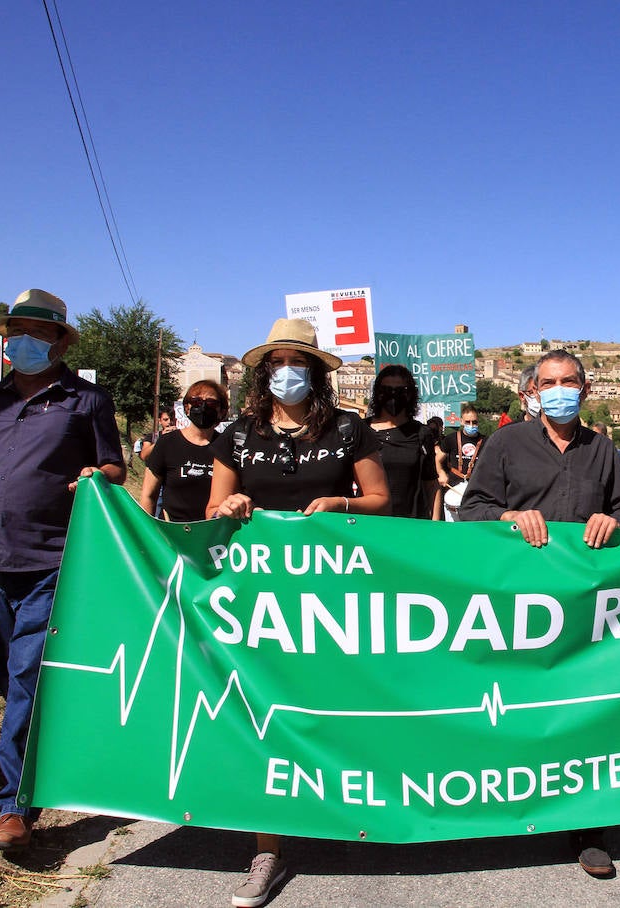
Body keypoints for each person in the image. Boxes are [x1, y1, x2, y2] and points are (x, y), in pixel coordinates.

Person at [0, 289, 125, 852]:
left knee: (27, 680)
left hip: (52, 563)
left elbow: (114, 467)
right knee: (10, 679)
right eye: (15, 330)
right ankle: (50, 764)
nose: (22, 340)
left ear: (59, 341)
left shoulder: (86, 401)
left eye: (36, 331)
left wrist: (98, 474)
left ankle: (14, 807)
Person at [206, 317, 391, 907]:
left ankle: (347, 813)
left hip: (335, 596)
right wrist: (231, 504)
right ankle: (267, 848)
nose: (288, 371)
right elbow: (214, 505)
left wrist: (342, 502)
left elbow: (383, 501)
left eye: (299, 362)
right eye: (278, 362)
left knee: (334, 707)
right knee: (264, 711)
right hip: (258, 598)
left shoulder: (348, 429)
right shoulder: (237, 434)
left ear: (315, 371)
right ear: (264, 372)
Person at [458, 349, 620, 877]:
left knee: (583, 712)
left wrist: (612, 519)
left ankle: (587, 826)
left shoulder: (603, 448)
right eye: (550, 382)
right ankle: (509, 805)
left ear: (585, 387)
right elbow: (472, 511)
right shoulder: (507, 443)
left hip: (583, 605)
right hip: (519, 603)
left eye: (570, 381)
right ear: (532, 392)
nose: (560, 389)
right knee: (522, 708)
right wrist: (510, 516)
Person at [138, 381, 228, 521]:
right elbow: (148, 495)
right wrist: (146, 533)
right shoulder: (167, 443)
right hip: (171, 533)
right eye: (196, 402)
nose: (203, 407)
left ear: (221, 411)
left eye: (211, 403)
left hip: (214, 535)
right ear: (187, 408)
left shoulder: (226, 446)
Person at [367, 365, 441, 519]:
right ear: (377, 394)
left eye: (401, 391)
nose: (393, 395)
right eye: (386, 390)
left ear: (410, 395)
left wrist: (435, 526)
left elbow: (432, 484)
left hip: (411, 524)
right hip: (367, 524)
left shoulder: (422, 434)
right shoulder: (361, 430)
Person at [436, 403, 485, 491]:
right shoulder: (451, 438)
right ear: (461, 421)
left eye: (474, 422)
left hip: (477, 487)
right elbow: (438, 459)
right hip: (453, 486)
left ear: (478, 421)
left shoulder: (486, 441)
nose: (471, 425)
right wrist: (441, 473)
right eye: (467, 422)